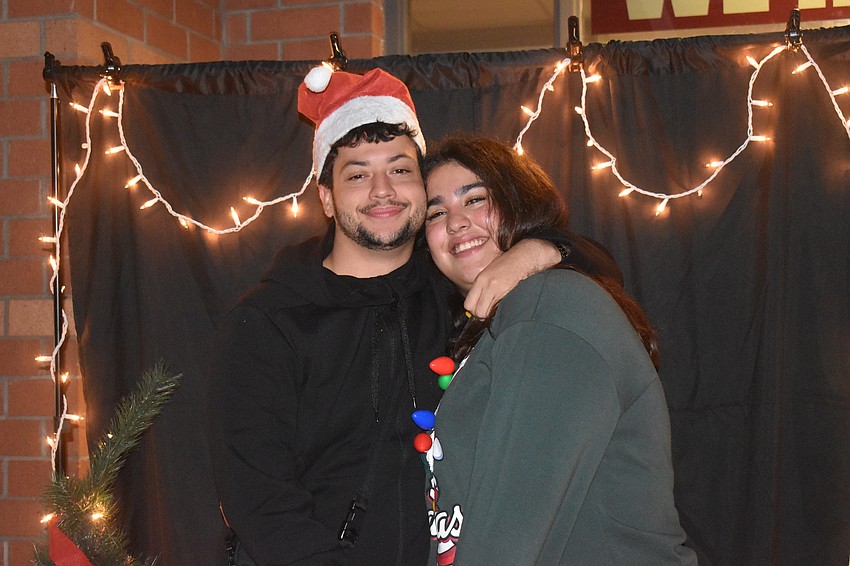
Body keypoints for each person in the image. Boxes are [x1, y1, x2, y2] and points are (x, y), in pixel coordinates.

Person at [207, 67, 610, 565]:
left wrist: (533, 252)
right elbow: (260, 504)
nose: (383, 190)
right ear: (327, 198)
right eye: (357, 173)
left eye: (400, 169)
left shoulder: (453, 289)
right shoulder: (266, 324)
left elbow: (596, 264)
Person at [422, 134, 698, 565]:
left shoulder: (547, 304)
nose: (455, 222)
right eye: (436, 212)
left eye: (475, 199)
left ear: (520, 203)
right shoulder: (489, 329)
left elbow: (509, 531)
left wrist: (543, 249)